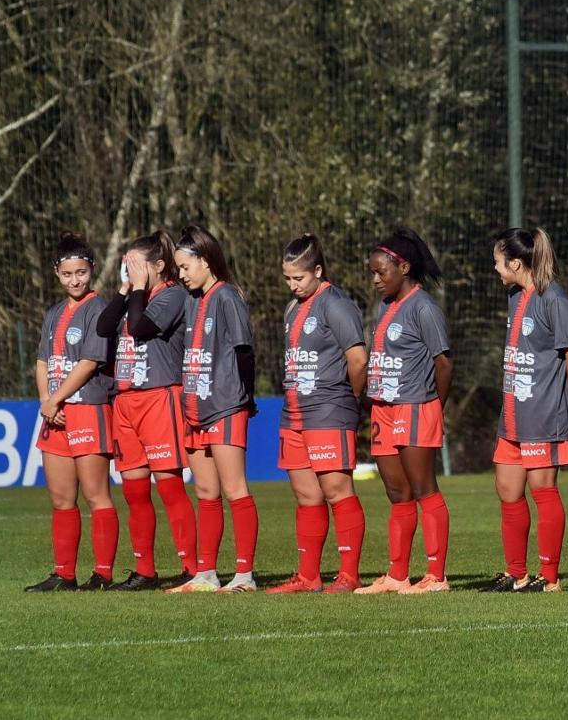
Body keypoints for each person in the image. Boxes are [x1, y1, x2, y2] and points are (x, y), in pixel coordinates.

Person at [265, 235, 368, 595]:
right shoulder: (292, 309)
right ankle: (308, 577)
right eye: (288, 278)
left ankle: (349, 575)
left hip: (329, 410)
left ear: (318, 271)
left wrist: (352, 400)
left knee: (337, 491)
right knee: (306, 494)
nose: (293, 285)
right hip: (294, 415)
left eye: (299, 278)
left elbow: (358, 359)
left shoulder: (337, 305)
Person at [484, 228, 568, 593]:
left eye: (498, 262)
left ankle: (550, 578)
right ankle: (516, 573)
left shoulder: (553, 298)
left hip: (544, 414)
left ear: (515, 263)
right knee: (507, 490)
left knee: (543, 490)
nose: (495, 269)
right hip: (512, 415)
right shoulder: (515, 296)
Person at [355, 228, 454, 595]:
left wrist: (433, 407)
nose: (376, 279)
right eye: (373, 272)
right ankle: (397, 575)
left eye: (381, 272)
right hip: (383, 410)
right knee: (397, 493)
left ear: (404, 267)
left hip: (415, 408)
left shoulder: (424, 307)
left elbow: (443, 364)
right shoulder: (387, 306)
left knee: (424, 488)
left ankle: (436, 576)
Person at [96, 230, 196, 590]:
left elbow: (139, 328)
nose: (131, 270)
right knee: (134, 490)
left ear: (158, 265)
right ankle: (145, 570)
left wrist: (138, 288)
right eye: (127, 264)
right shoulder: (132, 297)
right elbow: (104, 327)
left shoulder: (172, 295)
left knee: (169, 487)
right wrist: (126, 289)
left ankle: (191, 567)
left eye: (136, 264)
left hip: (158, 397)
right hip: (125, 401)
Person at [166, 225, 260, 594]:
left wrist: (245, 397)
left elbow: (244, 351)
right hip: (194, 407)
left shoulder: (227, 298)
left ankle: (244, 576)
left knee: (234, 487)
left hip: (224, 404)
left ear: (206, 262)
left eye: (187, 267)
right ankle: (205, 574)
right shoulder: (192, 299)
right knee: (205, 491)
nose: (182, 274)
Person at [25, 233, 119, 592]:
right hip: (55, 414)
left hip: (87, 410)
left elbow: (90, 361)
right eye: (67, 274)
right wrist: (46, 400)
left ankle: (104, 574)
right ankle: (64, 574)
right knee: (61, 499)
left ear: (91, 270)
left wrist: (55, 399)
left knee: (96, 495)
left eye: (81, 272)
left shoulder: (99, 309)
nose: (75, 280)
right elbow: (42, 361)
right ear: (56, 273)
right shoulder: (53, 313)